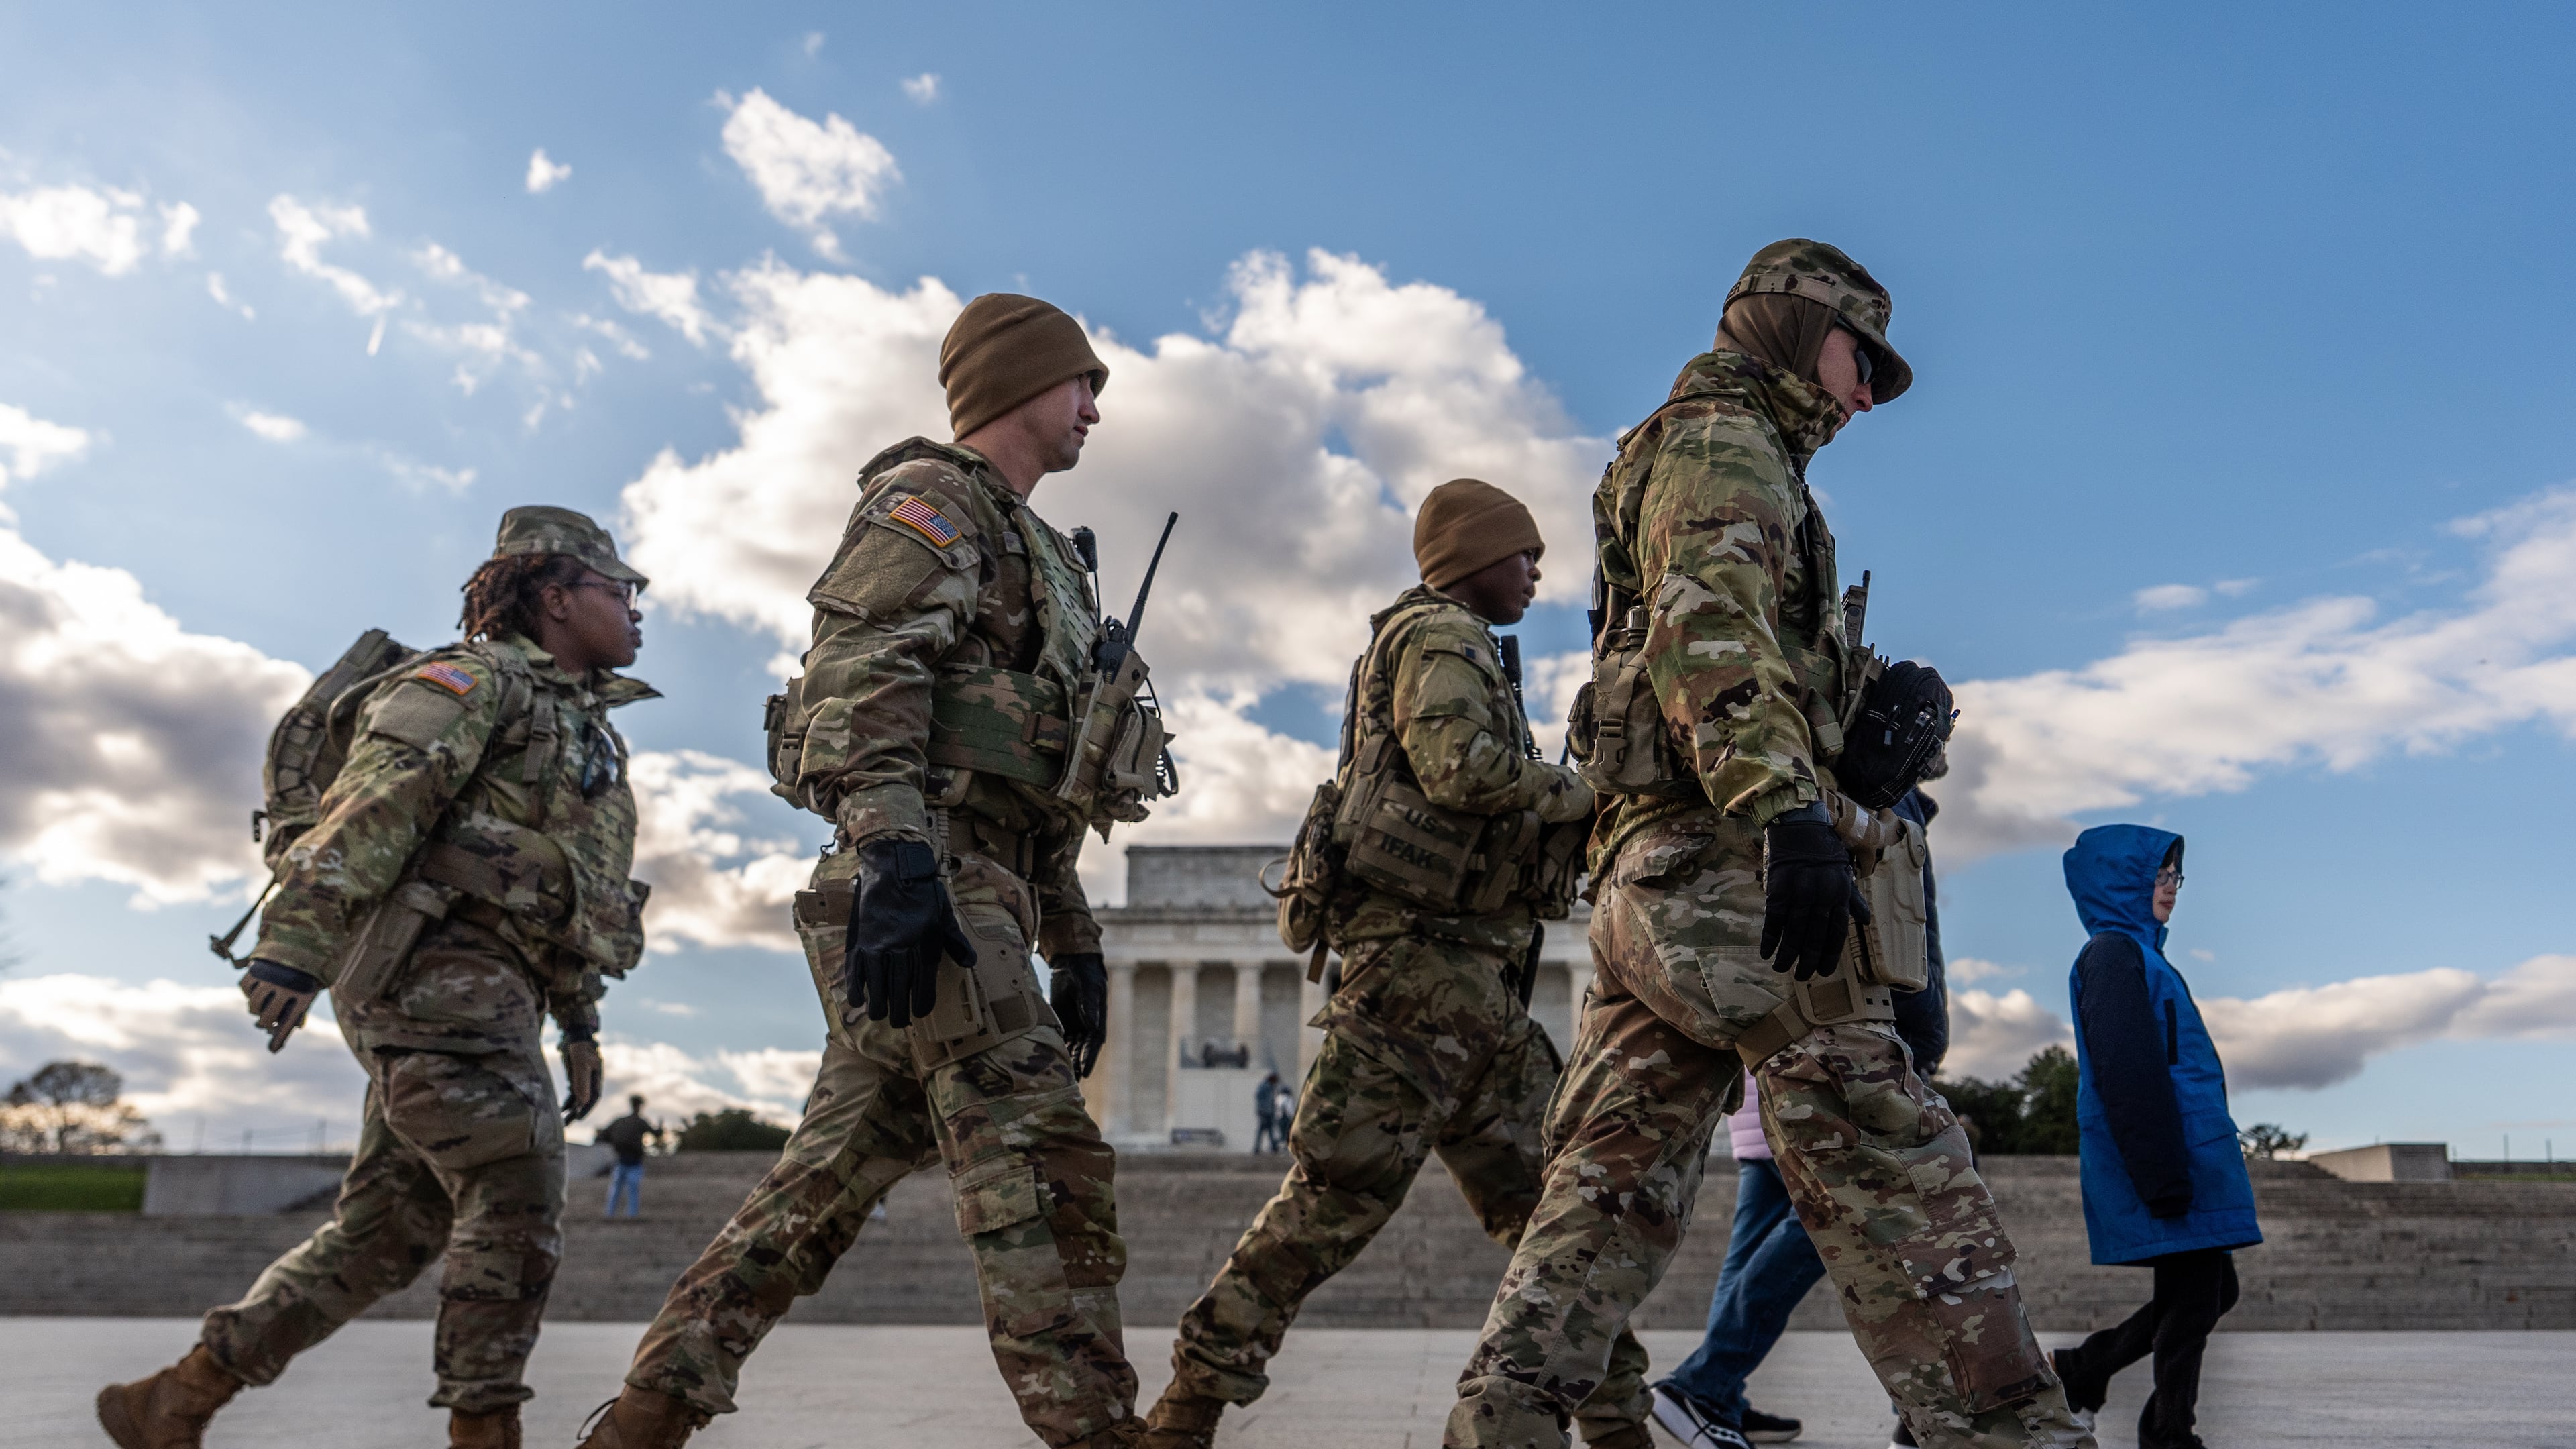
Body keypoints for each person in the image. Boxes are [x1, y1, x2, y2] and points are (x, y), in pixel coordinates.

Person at [1446, 240, 2092, 1449]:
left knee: (1605, 1198)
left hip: (1661, 873)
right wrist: (1790, 816)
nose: (1864, 394)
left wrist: (1853, 752)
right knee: (1894, 1163)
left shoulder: (1716, 452)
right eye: (1861, 359)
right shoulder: (1720, 443)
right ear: (1795, 330)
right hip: (1720, 867)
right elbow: (1712, 631)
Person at [574, 294, 1164, 1449]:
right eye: (1080, 382)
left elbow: (1043, 782)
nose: (1097, 408)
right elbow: (862, 678)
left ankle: (640, 1424)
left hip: (980, 887)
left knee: (814, 1196)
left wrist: (1078, 941)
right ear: (1011, 386)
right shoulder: (932, 502)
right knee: (1041, 1178)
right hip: (932, 889)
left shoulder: (1049, 555)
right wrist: (897, 859)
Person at [97, 507, 658, 1449]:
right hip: (429, 967)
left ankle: (180, 1397)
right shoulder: (472, 680)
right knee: (515, 1179)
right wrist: (296, 939)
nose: (639, 610)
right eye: (622, 590)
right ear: (556, 596)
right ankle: (484, 1432)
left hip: (498, 989)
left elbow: (570, 894)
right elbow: (377, 796)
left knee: (390, 1229)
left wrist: (579, 1020)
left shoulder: (587, 729)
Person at [1142, 478, 1645, 1449]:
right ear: (1467, 557)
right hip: (1416, 991)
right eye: (1522, 552)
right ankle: (1187, 1407)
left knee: (1566, 1220)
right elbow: (1463, 771)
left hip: (1475, 996)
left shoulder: (1451, 644)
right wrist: (1588, 793)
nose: (1538, 571)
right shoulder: (1440, 637)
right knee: (1335, 1205)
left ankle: (1622, 1424)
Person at [1652, 782, 1951, 1449]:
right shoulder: (1883, 798)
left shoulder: (1822, 787)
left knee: (1755, 1242)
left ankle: (1719, 1393)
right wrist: (1923, 1039)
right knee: (1828, 1220)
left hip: (1778, 1053)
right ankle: (1705, 1381)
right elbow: (1905, 936)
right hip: (1853, 1046)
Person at [2051, 827, 2259, 1449]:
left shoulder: (2143, 955)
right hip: (2168, 1157)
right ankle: (2170, 1434)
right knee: (2198, 1296)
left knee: (2214, 1289)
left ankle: (2084, 1370)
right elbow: (2128, 1074)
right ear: (2124, 881)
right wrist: (2161, 1171)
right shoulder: (2113, 954)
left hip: (2190, 1154)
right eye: (2160, 876)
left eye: (2176, 877)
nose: (2171, 889)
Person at [598, 1095, 664, 1218]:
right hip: (631, 1161)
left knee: (617, 1190)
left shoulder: (620, 1121)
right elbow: (657, 1133)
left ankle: (611, 1214)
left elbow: (603, 1135)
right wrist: (660, 1127)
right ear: (639, 1106)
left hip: (624, 1160)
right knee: (631, 1190)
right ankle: (629, 1215)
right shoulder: (639, 1122)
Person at [1252, 1071, 1286, 1155]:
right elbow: (1259, 1098)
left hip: (1269, 1112)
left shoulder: (1270, 1087)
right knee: (1263, 1131)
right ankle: (1258, 1148)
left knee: (1269, 1131)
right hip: (1265, 1113)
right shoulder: (1265, 1086)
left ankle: (1272, 1147)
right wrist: (1262, 1111)